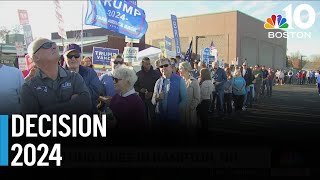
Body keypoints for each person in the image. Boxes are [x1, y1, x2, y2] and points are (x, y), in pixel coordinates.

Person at [20, 38, 92, 115]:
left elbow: (86, 104)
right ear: (36, 57)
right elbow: (33, 120)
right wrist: (72, 104)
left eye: (54, 43)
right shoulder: (29, 87)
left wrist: (46, 110)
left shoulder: (74, 77)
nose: (54, 46)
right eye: (47, 45)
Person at [63, 43, 101, 114]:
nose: (73, 58)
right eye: (69, 56)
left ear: (80, 57)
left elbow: (96, 91)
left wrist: (79, 96)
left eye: (76, 55)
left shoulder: (90, 73)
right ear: (64, 57)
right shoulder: (57, 74)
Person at [152, 58, 187, 125]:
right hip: (160, 118)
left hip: (174, 119)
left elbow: (184, 99)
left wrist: (176, 111)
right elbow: (153, 101)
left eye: (165, 65)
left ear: (171, 67)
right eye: (161, 66)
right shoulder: (158, 82)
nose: (163, 68)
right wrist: (157, 98)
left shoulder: (179, 80)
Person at [134, 57, 161, 126]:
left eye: (149, 64)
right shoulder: (138, 74)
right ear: (142, 64)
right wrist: (140, 89)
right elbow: (135, 86)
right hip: (142, 98)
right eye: (146, 64)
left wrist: (152, 93)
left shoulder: (156, 73)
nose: (148, 66)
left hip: (153, 98)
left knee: (153, 117)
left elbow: (159, 86)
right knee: (143, 117)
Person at [179, 61, 201, 128]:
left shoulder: (194, 82)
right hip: (180, 112)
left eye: (180, 68)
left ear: (186, 69)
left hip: (190, 113)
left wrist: (191, 107)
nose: (179, 70)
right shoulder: (179, 81)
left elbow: (197, 98)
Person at [198, 68, 214, 132]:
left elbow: (203, 94)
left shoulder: (205, 82)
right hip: (207, 100)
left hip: (203, 100)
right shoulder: (209, 81)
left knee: (203, 117)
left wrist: (198, 102)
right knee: (205, 117)